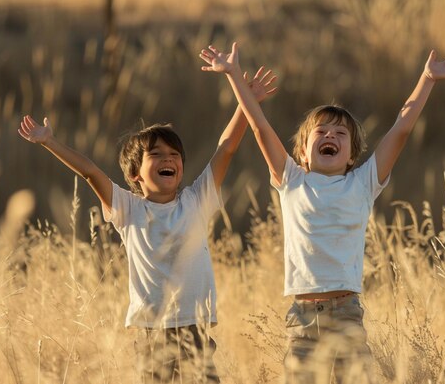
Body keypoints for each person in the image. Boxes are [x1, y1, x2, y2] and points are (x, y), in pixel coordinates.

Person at [201, 43, 445, 383]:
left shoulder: (363, 182)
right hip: (303, 319)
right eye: (321, 133)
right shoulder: (292, 179)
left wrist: (427, 79)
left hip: (346, 316)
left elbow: (401, 130)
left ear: (352, 155)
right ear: (303, 153)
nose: (330, 136)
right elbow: (259, 126)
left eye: (340, 134)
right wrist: (234, 75)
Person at [18, 59, 277, 383]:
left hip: (195, 328)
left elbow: (226, 148)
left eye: (174, 155)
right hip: (151, 334)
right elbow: (89, 172)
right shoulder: (128, 209)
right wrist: (50, 142)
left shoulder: (196, 200)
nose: (168, 159)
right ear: (134, 175)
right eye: (156, 155)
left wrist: (245, 102)